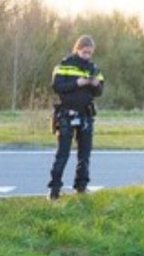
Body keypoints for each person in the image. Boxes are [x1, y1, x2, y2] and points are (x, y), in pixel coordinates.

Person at [48, 35, 104, 200]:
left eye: (90, 53)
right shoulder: (64, 65)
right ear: (77, 49)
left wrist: (95, 85)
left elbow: (100, 91)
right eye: (85, 52)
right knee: (62, 154)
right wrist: (77, 83)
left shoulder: (94, 68)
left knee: (84, 155)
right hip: (67, 113)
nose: (87, 55)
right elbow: (57, 86)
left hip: (86, 115)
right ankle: (54, 191)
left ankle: (81, 187)